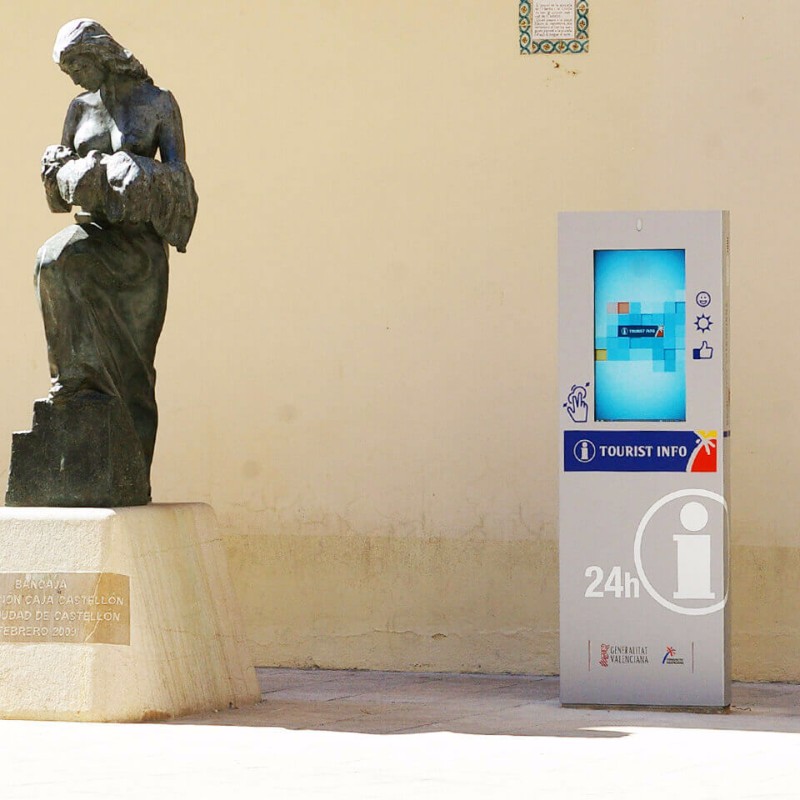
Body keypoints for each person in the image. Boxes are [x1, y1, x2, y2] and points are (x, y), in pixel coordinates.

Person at [36, 19, 198, 488]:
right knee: (52, 259)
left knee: (134, 370)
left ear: (100, 55)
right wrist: (60, 171)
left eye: (78, 65)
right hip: (94, 236)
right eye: (67, 70)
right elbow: (58, 191)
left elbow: (182, 183)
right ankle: (72, 380)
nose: (74, 77)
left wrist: (137, 171)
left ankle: (132, 474)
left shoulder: (158, 102)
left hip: (140, 250)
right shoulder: (79, 108)